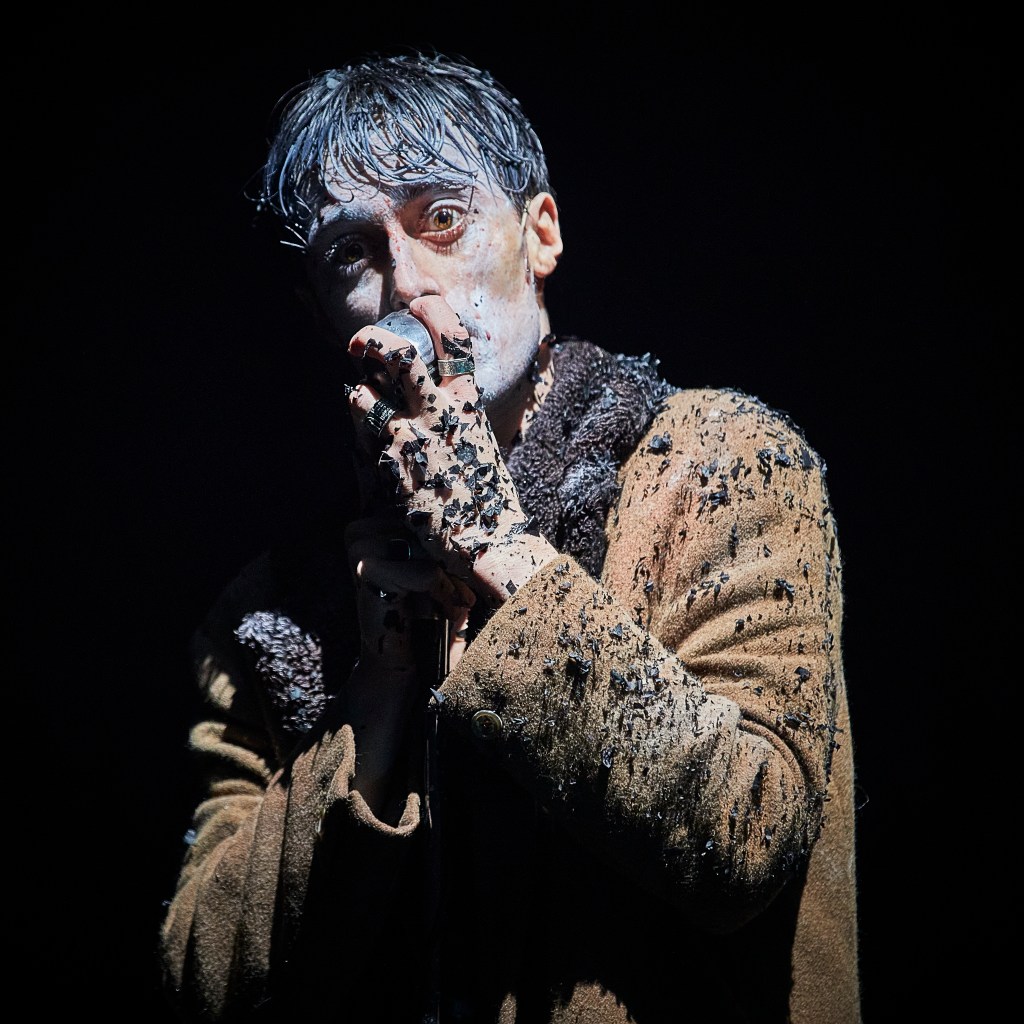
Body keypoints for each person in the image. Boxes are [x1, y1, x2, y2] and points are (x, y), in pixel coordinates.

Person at [157, 51, 861, 1023]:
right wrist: (379, 687)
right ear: (319, 315)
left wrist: (494, 539)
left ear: (541, 234)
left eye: (442, 217)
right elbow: (204, 982)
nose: (407, 282)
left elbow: (746, 836)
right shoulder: (267, 615)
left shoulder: (717, 462)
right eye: (351, 253)